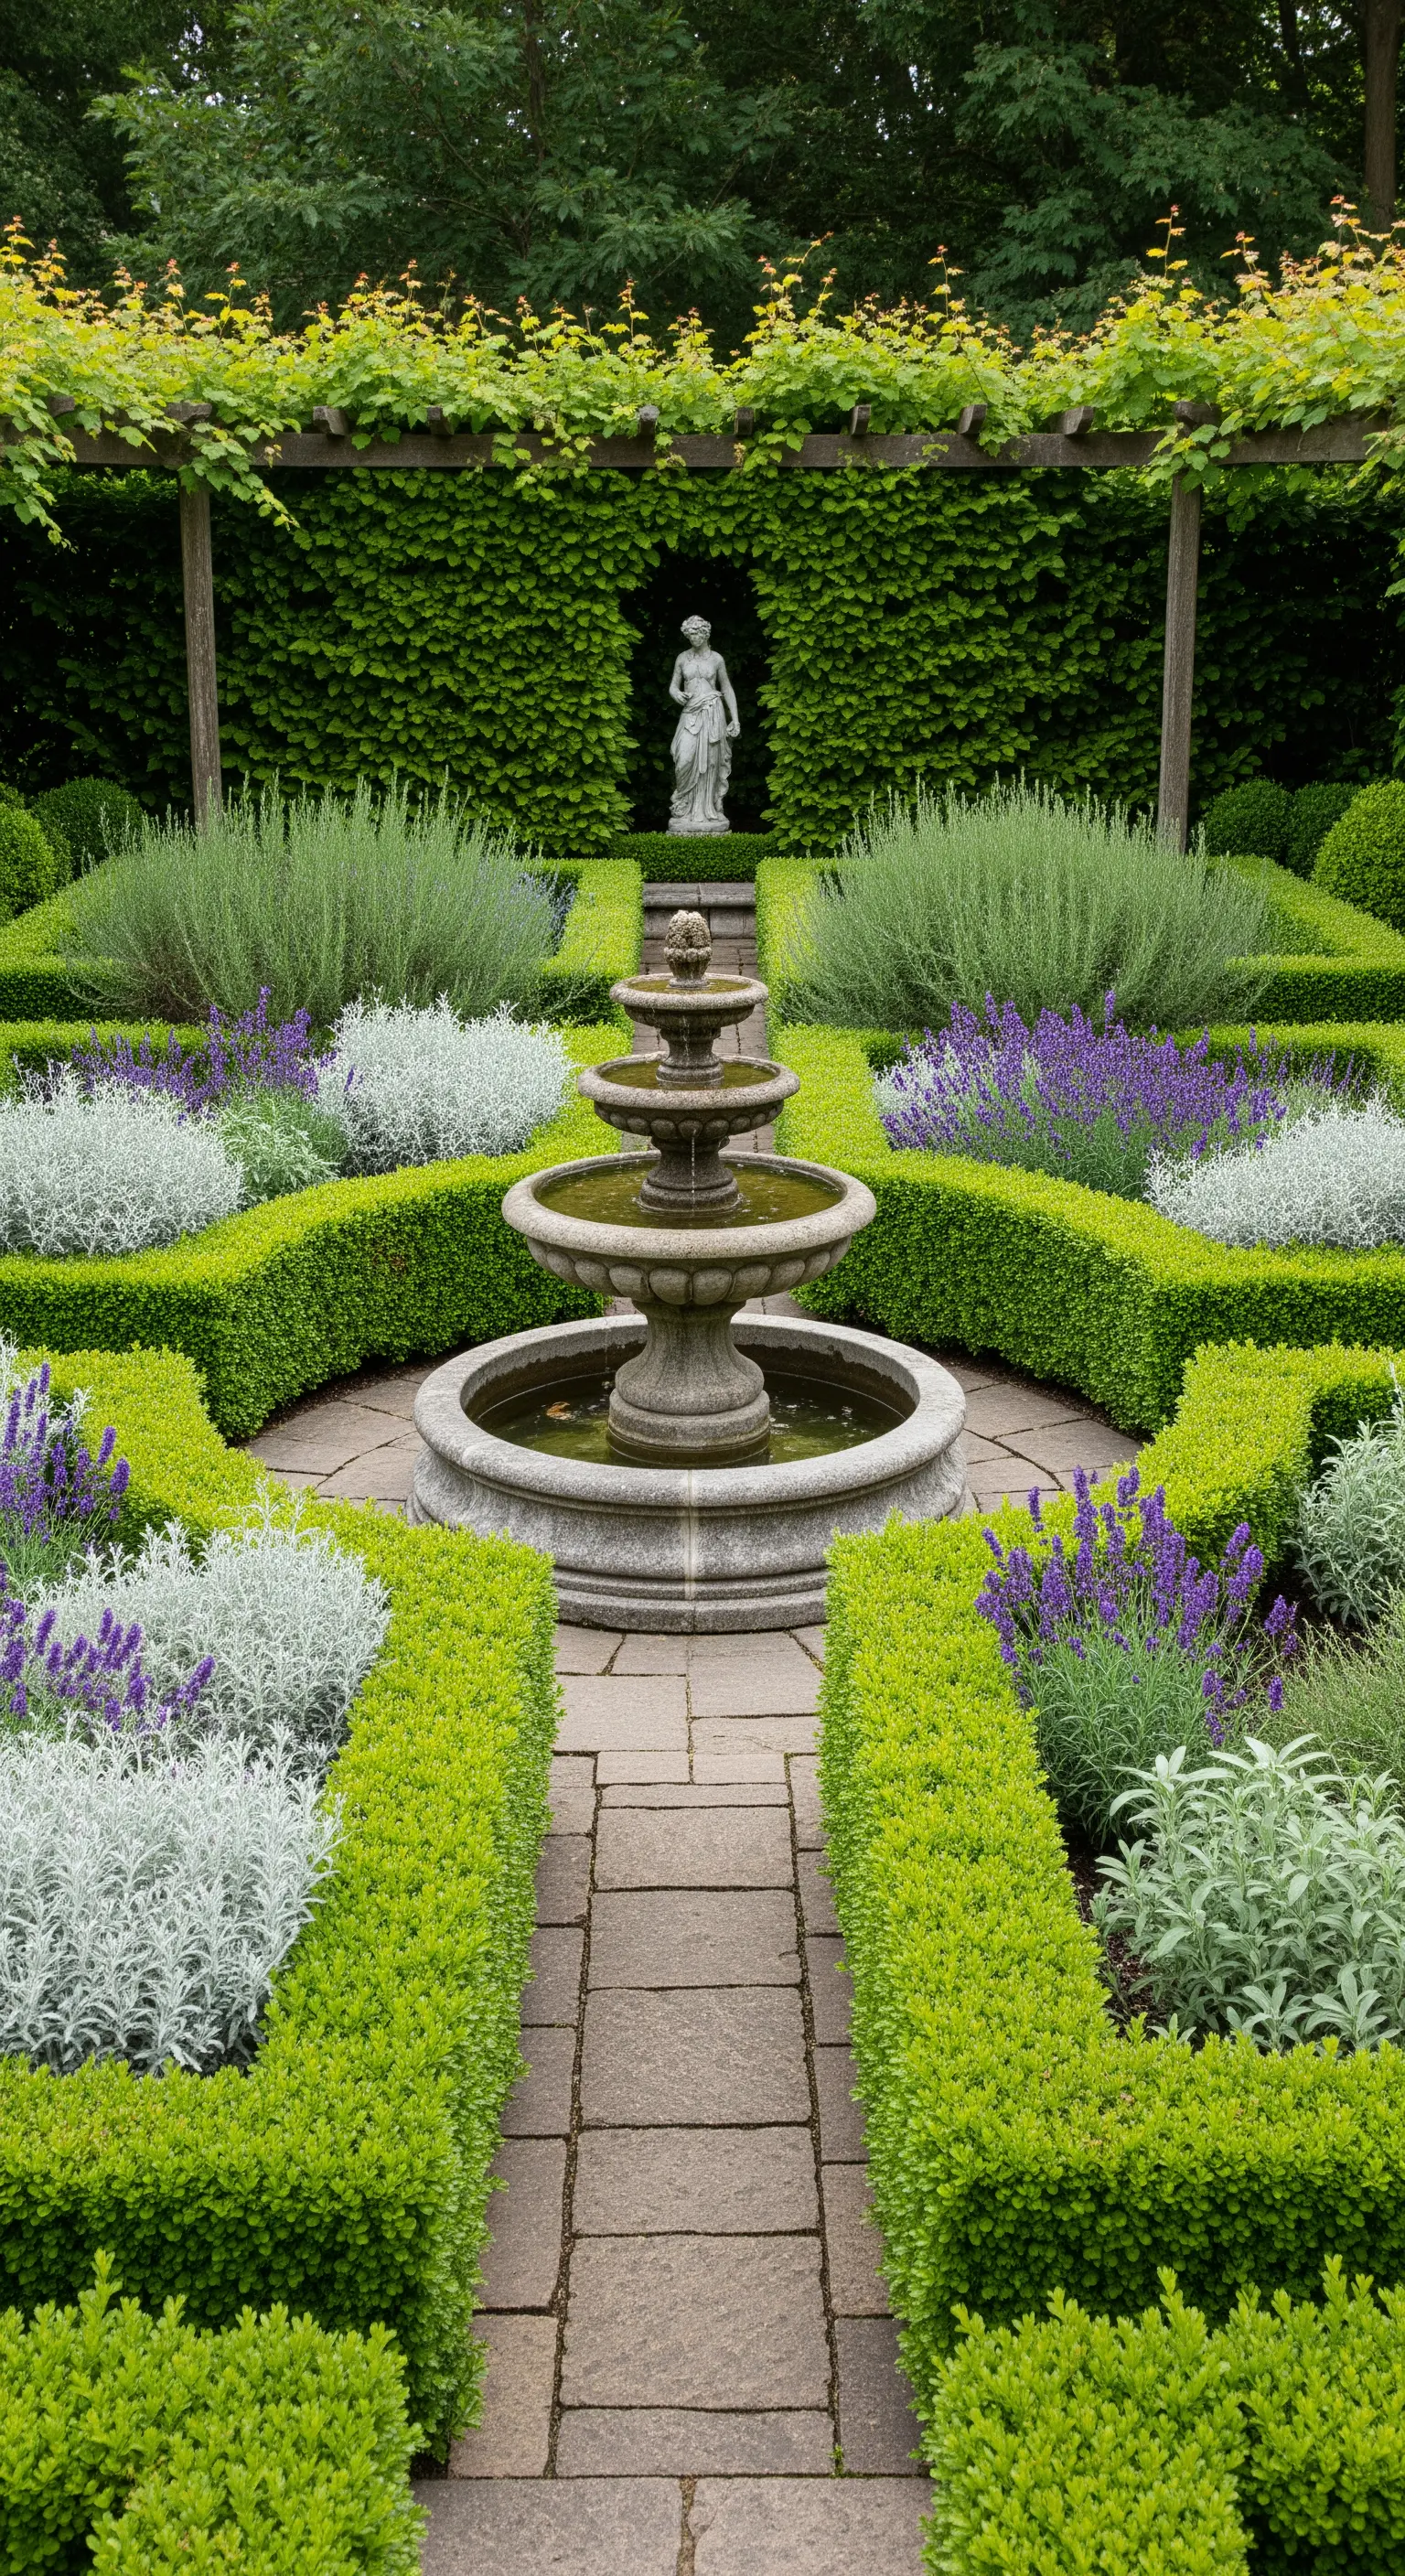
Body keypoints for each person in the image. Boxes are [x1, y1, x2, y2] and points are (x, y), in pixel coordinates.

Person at [667, 616, 739, 834]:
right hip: (690, 714)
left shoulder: (716, 659)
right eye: (689, 635)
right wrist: (676, 694)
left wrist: (735, 718)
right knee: (683, 759)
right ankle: (684, 808)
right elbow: (673, 686)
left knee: (710, 763)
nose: (692, 638)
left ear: (705, 634)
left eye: (696, 633)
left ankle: (708, 810)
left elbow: (726, 688)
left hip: (712, 713)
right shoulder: (682, 658)